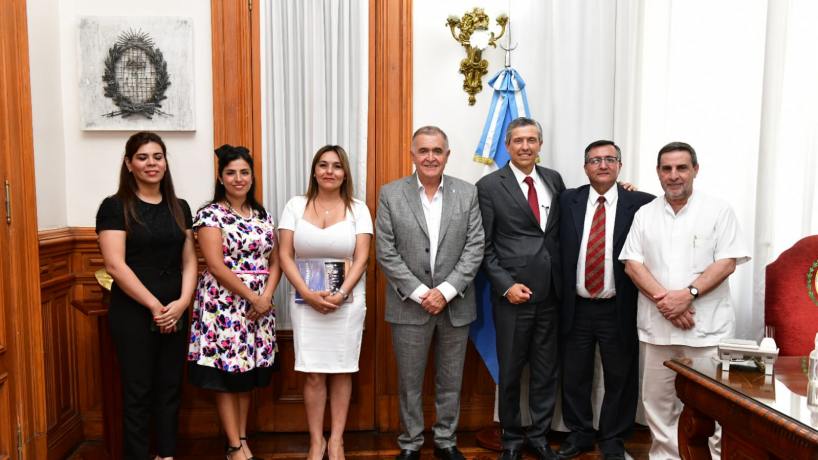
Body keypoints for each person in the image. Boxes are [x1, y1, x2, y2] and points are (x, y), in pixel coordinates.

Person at [619, 141, 750, 459]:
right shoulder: (644, 214)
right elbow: (632, 263)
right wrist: (667, 301)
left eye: (681, 168)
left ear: (695, 170)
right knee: (658, 404)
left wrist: (687, 295)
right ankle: (666, 457)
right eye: (667, 169)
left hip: (706, 328)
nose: (674, 175)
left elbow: (727, 262)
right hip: (658, 327)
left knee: (715, 406)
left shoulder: (718, 210)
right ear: (658, 173)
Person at [376, 126, 484, 460]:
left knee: (450, 380)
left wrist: (447, 291)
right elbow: (385, 250)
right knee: (409, 382)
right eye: (423, 150)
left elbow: (475, 246)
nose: (430, 157)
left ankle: (446, 441)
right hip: (409, 305)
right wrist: (423, 292)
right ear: (412, 154)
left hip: (456, 304)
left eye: (437, 151)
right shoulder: (391, 194)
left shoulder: (467, 194)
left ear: (447, 156)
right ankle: (410, 442)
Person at [96, 131, 197, 460]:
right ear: (129, 164)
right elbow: (114, 264)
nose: (151, 163)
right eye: (142, 157)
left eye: (157, 157)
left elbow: (190, 260)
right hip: (134, 312)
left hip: (175, 310)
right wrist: (155, 306)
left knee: (170, 389)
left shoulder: (179, 206)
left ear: (165, 164)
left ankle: (166, 455)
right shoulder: (114, 207)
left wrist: (181, 304)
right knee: (138, 392)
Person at [557, 140, 654, 460]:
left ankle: (613, 437)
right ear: (585, 167)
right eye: (595, 160)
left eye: (609, 159)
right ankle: (580, 433)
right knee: (574, 374)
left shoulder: (641, 203)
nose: (602, 165)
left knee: (620, 375)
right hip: (576, 306)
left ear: (619, 166)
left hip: (618, 306)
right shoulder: (566, 200)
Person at [476, 117, 564, 460]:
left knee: (546, 371)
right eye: (518, 141)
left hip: (552, 295)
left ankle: (540, 436)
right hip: (513, 297)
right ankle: (511, 439)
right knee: (511, 373)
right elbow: (483, 246)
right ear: (508, 146)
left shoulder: (554, 180)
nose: (525, 146)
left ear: (540, 144)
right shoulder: (489, 186)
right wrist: (506, 286)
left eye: (532, 140)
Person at [187, 145, 281, 460]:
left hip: (260, 306)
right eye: (231, 173)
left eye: (244, 172)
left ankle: (241, 438)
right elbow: (215, 265)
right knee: (227, 376)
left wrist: (266, 296)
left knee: (246, 375)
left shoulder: (263, 213)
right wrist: (253, 296)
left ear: (252, 176)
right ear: (221, 177)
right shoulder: (210, 214)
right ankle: (233, 444)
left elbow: (277, 259)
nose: (238, 179)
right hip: (223, 303)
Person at [278, 145, 372, 460]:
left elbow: (361, 258)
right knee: (314, 372)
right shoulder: (295, 205)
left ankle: (337, 441)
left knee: (343, 369)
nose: (329, 171)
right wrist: (305, 291)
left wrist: (342, 293)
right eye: (323, 165)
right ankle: (316, 441)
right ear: (314, 171)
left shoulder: (358, 208)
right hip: (306, 301)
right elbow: (284, 254)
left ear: (345, 172)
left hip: (347, 302)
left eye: (336, 166)